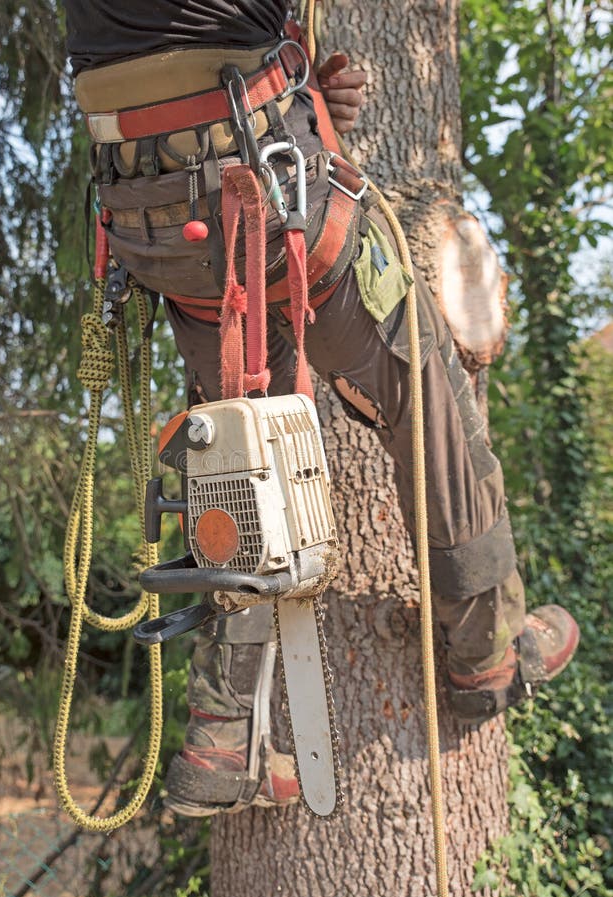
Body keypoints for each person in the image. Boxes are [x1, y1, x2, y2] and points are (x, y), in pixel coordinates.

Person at [63, 1, 580, 816]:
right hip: (277, 209)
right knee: (427, 391)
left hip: (156, 224)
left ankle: (219, 736)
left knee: (227, 446)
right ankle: (485, 651)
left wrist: (293, 87)